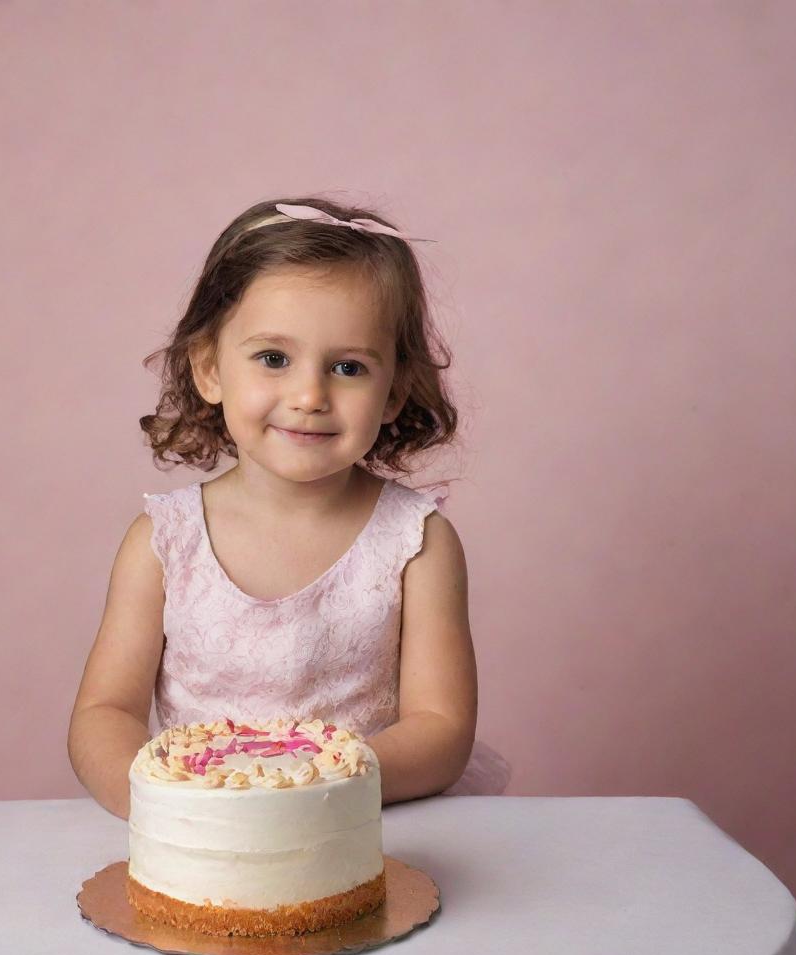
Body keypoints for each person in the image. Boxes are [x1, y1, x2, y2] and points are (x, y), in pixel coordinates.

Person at [67, 197, 511, 819]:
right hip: (205, 835)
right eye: (273, 359)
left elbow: (440, 730)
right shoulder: (164, 543)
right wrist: (160, 805)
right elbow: (103, 712)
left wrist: (317, 788)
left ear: (393, 393)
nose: (309, 395)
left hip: (360, 831)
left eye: (348, 367)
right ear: (209, 369)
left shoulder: (417, 544)